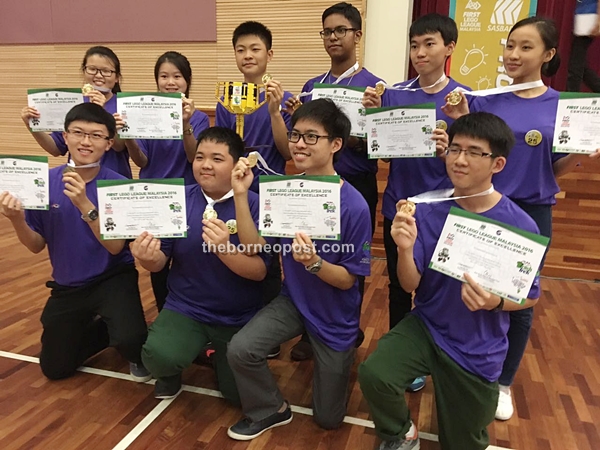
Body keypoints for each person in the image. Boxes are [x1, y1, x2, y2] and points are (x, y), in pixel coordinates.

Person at [442, 16, 600, 421]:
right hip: (476, 208)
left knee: (517, 298)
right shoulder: (482, 99)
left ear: (548, 55)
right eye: (510, 45)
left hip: (529, 213)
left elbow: (552, 169)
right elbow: (462, 152)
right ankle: (452, 362)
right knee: (459, 287)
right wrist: (457, 115)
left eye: (525, 47)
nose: (513, 54)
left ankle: (503, 382)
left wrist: (582, 154)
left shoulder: (564, 105)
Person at [358, 112, 541, 450]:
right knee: (375, 373)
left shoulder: (522, 226)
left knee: (462, 442)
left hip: (477, 345)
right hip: (427, 326)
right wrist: (405, 249)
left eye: (474, 152)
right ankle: (401, 434)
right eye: (455, 149)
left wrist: (495, 302)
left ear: (497, 164)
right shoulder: (426, 210)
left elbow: (529, 297)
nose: (459, 159)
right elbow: (410, 284)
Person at [226, 98, 371, 440]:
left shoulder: (354, 205)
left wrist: (315, 263)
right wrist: (240, 195)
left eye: (311, 137)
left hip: (335, 314)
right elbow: (254, 246)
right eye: (295, 135)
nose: (299, 144)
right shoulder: (286, 192)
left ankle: (347, 345)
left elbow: (349, 279)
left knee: (328, 419)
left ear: (335, 144)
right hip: (294, 301)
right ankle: (271, 408)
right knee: (241, 349)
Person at [0, 103, 149, 382]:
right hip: (68, 285)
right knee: (55, 368)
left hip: (112, 277)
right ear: (65, 137)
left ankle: (121, 333)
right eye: (78, 132)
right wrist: (17, 219)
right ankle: (105, 331)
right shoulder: (44, 183)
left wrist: (84, 203)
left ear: (108, 144)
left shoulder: (116, 186)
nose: (85, 141)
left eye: (96, 135)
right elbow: (35, 245)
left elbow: (115, 247)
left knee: (132, 342)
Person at [362, 12, 466, 392]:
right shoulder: (395, 94)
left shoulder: (462, 99)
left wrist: (447, 153)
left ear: (449, 47)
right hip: (399, 206)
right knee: (398, 286)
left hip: (442, 211)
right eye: (415, 45)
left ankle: (446, 351)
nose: (420, 52)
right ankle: (401, 351)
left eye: (429, 44)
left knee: (440, 286)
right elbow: (384, 154)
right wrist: (373, 113)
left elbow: (471, 165)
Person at [131, 127, 269, 401]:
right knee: (158, 356)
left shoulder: (256, 204)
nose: (205, 165)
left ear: (236, 164)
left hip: (238, 315)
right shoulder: (177, 201)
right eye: (199, 157)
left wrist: (224, 249)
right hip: (187, 307)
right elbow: (160, 263)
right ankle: (176, 366)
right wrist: (147, 258)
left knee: (236, 396)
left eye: (217, 159)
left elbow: (259, 272)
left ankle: (217, 354)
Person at [287, 1, 383, 362]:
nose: (332, 38)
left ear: (357, 35)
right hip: (313, 186)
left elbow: (384, 147)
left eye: (340, 30)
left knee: (349, 260)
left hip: (355, 187)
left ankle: (346, 327)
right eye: (327, 31)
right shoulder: (312, 86)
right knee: (308, 249)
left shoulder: (376, 87)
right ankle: (309, 330)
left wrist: (363, 130)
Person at [216, 20, 295, 357]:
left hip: (270, 191)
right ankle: (241, 319)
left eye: (255, 49)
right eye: (241, 50)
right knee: (239, 253)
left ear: (269, 54)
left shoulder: (284, 98)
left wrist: (275, 111)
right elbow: (220, 147)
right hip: (237, 190)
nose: (247, 56)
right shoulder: (227, 98)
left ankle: (269, 333)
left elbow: (288, 151)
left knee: (269, 259)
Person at [124, 51, 210, 311]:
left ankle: (192, 310)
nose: (170, 82)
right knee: (156, 257)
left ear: (187, 81)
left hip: (187, 196)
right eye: (164, 76)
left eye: (177, 76)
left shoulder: (198, 117)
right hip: (153, 197)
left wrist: (185, 124)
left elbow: (194, 156)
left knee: (187, 257)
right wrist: (127, 135)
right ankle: (165, 311)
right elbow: (141, 161)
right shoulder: (144, 113)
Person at [21, 46, 132, 178]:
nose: (98, 75)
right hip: (77, 179)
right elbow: (56, 148)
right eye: (92, 69)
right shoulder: (73, 104)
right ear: (84, 71)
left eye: (106, 71)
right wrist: (32, 125)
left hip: (113, 181)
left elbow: (119, 147)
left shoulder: (125, 106)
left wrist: (102, 112)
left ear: (117, 77)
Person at [567, 0, 600, 92]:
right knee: (580, 64)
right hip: (582, 16)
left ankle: (572, 93)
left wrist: (598, 21)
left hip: (589, 18)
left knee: (576, 63)